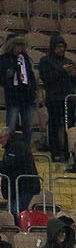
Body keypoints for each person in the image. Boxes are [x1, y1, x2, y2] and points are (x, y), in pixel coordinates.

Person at [39, 35, 76, 165]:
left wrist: (73, 75)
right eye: (58, 46)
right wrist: (62, 70)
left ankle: (68, 151)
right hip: (54, 98)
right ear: (53, 47)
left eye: (63, 47)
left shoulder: (68, 61)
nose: (61, 49)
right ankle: (55, 152)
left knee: (70, 126)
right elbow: (46, 78)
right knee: (54, 126)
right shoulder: (45, 61)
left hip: (69, 99)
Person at [0, 127, 40, 217]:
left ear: (6, 136)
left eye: (0, 138)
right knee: (12, 212)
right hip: (19, 188)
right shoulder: (15, 146)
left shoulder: (16, 147)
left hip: (24, 187)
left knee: (15, 212)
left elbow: (9, 166)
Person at [0, 33, 38, 134]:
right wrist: (8, 81)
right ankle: (11, 147)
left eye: (22, 45)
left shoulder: (25, 58)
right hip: (13, 95)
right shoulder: (3, 59)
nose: (20, 48)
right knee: (11, 125)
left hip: (27, 95)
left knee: (28, 125)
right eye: (18, 45)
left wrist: (32, 88)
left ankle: (26, 147)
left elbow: (30, 74)